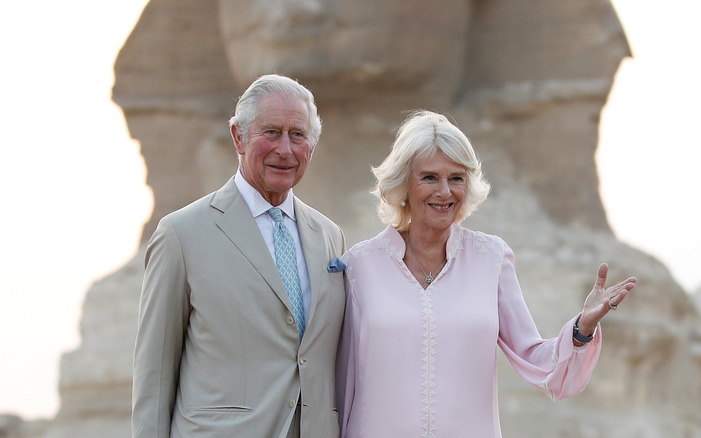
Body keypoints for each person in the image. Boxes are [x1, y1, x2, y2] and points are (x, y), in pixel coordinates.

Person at [336, 111, 637, 438]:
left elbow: (537, 359)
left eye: (456, 178)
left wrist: (582, 329)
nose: (445, 192)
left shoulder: (490, 259)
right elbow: (338, 382)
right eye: (429, 178)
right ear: (403, 183)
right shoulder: (358, 267)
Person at [132, 74, 347, 438]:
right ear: (238, 136)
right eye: (271, 132)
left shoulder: (330, 236)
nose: (285, 149)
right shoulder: (181, 234)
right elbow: (154, 375)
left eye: (298, 134)